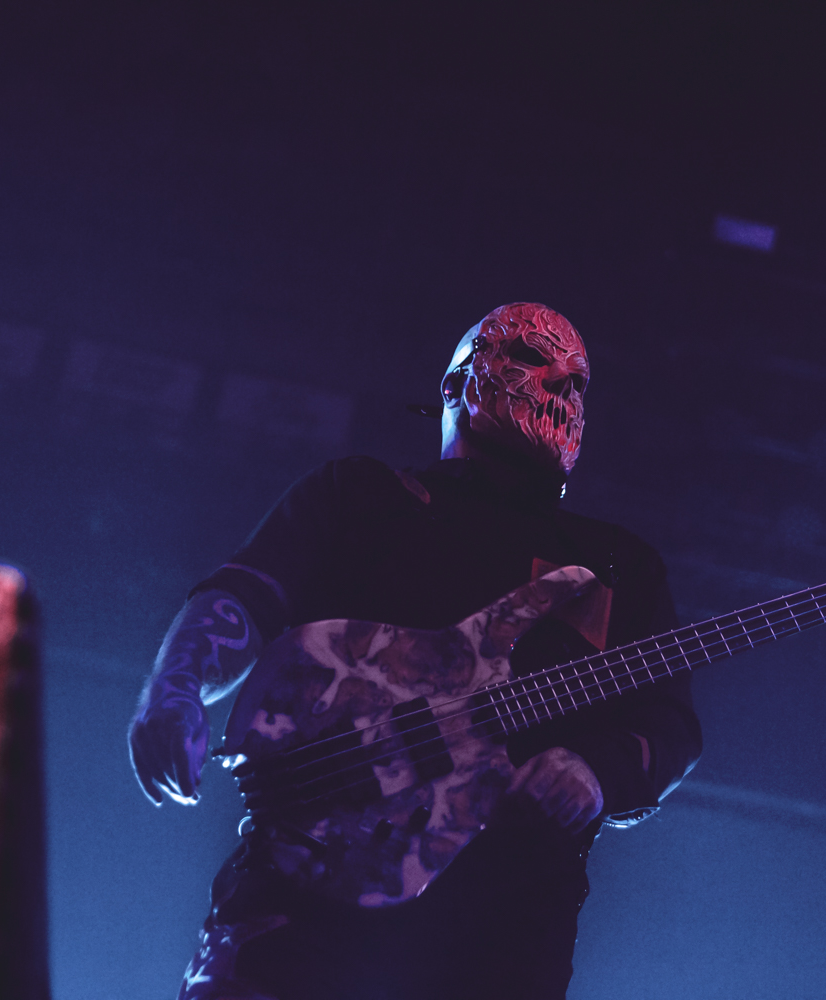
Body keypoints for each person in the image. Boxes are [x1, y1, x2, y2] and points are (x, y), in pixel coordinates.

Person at [128, 303, 702, 1000]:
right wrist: (174, 686)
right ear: (457, 383)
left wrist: (597, 771)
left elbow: (668, 724)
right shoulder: (359, 496)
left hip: (500, 942)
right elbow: (245, 595)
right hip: (298, 906)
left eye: (579, 381)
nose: (564, 387)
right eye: (531, 357)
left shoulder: (617, 565)